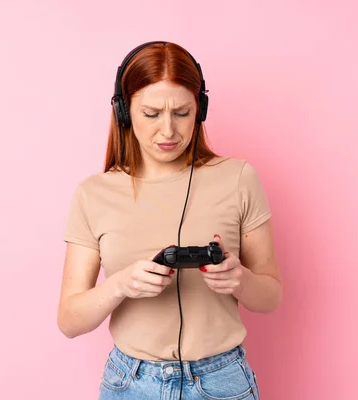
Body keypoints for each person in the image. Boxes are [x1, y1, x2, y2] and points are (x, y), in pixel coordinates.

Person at [57, 41, 282, 400]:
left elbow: (270, 297)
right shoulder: (93, 193)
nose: (168, 131)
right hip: (130, 383)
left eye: (182, 112)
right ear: (124, 112)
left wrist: (239, 279)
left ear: (200, 109)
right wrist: (120, 285)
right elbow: (69, 320)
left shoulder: (239, 178)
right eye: (151, 114)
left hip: (221, 381)